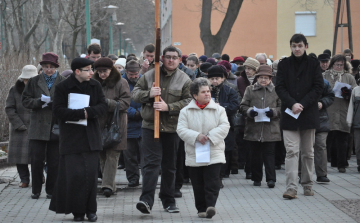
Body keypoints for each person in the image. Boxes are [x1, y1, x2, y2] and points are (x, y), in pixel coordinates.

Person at [132, 45, 192, 214]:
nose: (171, 60)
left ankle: (168, 200)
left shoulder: (184, 79)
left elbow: (189, 101)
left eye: (174, 57)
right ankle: (146, 200)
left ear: (180, 60)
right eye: (168, 57)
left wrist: (169, 107)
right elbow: (135, 94)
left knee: (170, 166)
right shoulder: (150, 75)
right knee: (150, 165)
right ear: (162, 59)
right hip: (151, 126)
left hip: (172, 128)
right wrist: (149, 94)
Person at [50, 58, 107, 222]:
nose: (91, 72)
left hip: (91, 136)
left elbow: (103, 106)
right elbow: (58, 111)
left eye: (91, 69)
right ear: (77, 71)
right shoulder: (62, 87)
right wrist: (80, 114)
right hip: (71, 138)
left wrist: (88, 112)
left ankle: (91, 210)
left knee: (90, 175)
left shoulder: (95, 85)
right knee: (75, 175)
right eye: (88, 69)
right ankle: (78, 211)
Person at [275, 34, 324, 199]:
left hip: (308, 113)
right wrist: (292, 104)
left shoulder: (313, 63)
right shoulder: (284, 64)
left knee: (308, 152)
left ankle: (308, 184)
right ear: (290, 47)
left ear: (305, 46)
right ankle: (291, 188)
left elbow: (318, 87)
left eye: (300, 46)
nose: (297, 49)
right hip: (290, 114)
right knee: (291, 152)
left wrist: (302, 103)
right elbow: (279, 87)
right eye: (294, 46)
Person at [176, 77, 230, 219]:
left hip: (214, 150)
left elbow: (225, 126)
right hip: (194, 151)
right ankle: (201, 209)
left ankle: (211, 206)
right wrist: (196, 136)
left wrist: (210, 136)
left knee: (212, 181)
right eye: (203, 92)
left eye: (208, 91)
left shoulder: (219, 110)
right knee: (198, 183)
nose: (207, 94)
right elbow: (181, 129)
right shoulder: (185, 111)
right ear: (195, 95)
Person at [22, 52, 65, 199]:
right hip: (38, 126)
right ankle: (36, 190)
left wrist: (57, 105)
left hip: (55, 125)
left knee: (54, 161)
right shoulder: (34, 81)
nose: (48, 70)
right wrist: (38, 102)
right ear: (41, 67)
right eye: (46, 67)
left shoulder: (63, 81)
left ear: (56, 67)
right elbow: (25, 100)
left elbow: (68, 101)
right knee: (36, 160)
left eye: (51, 67)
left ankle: (51, 190)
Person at [93, 57, 131, 197]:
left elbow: (125, 103)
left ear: (111, 69)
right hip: (99, 123)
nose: (103, 74)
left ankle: (107, 186)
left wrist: (107, 103)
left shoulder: (121, 82)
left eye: (105, 71)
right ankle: (109, 185)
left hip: (116, 124)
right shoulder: (94, 83)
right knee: (102, 155)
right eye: (100, 71)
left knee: (113, 155)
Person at [240, 65, 281, 188]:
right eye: (261, 77)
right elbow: (243, 106)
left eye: (266, 78)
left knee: (269, 155)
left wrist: (273, 112)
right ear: (257, 78)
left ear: (270, 79)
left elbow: (281, 107)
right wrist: (250, 111)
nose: (263, 80)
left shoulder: (277, 90)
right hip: (254, 128)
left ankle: (271, 179)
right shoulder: (250, 89)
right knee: (255, 155)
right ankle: (256, 178)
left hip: (271, 129)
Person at [323, 54, 357, 173]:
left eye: (341, 65)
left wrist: (349, 92)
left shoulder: (349, 77)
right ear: (332, 64)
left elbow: (356, 92)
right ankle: (332, 160)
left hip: (344, 110)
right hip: (329, 110)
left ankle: (342, 164)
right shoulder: (325, 75)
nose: (339, 67)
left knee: (343, 138)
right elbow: (319, 89)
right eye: (336, 64)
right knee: (330, 137)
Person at [5, 65, 38, 188]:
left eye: (30, 79)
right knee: (20, 157)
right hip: (19, 128)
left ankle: (39, 177)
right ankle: (24, 179)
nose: (28, 82)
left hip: (36, 127)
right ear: (22, 79)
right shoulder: (14, 90)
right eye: (26, 79)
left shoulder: (40, 89)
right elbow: (9, 108)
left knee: (37, 155)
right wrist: (18, 124)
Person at [207, 65, 239, 184]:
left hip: (226, 125)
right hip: (208, 126)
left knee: (224, 151)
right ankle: (213, 177)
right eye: (212, 79)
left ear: (223, 78)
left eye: (217, 78)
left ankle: (220, 176)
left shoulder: (230, 90)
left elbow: (234, 106)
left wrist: (220, 107)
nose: (214, 81)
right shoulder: (205, 90)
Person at [236, 57, 260, 179]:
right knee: (244, 145)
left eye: (250, 68)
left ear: (256, 70)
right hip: (243, 115)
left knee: (254, 146)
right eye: (246, 68)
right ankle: (246, 169)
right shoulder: (240, 80)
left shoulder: (260, 80)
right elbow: (237, 96)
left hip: (258, 116)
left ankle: (252, 169)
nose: (247, 71)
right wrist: (244, 108)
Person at [122, 60, 143, 187]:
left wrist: (141, 112)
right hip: (127, 124)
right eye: (131, 74)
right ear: (126, 72)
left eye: (136, 74)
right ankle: (133, 178)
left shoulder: (144, 81)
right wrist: (132, 112)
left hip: (143, 123)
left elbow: (149, 99)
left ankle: (147, 179)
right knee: (129, 155)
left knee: (145, 155)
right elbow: (120, 100)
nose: (134, 76)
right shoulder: (121, 83)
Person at [347, 83, 360, 173]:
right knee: (358, 146)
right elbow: (351, 107)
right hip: (357, 123)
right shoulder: (356, 90)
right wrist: (349, 121)